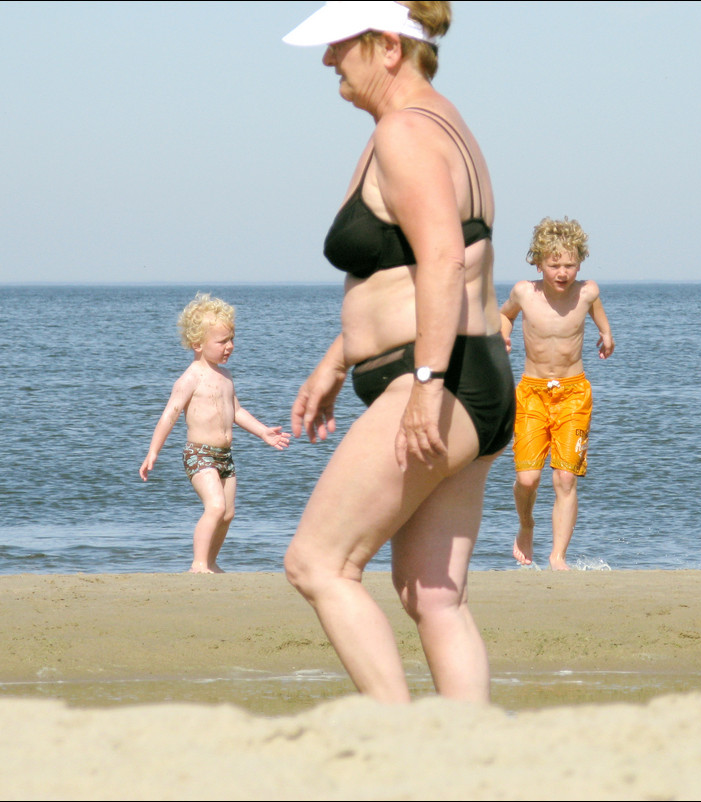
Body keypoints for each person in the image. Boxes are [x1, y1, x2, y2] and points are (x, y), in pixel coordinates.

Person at [281, 1, 514, 704]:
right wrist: (338, 359)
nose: (327, 62)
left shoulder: (405, 134)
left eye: (338, 47)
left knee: (318, 562)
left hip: (444, 378)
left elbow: (443, 260)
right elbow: (412, 269)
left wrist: (424, 382)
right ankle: (467, 759)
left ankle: (401, 746)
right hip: (475, 377)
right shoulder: (436, 123)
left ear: (386, 47)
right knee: (430, 592)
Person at [139, 292, 291, 573]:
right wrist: (153, 452)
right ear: (197, 343)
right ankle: (197, 564)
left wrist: (263, 433)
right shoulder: (190, 378)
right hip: (199, 454)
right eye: (222, 341)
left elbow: (237, 412)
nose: (229, 346)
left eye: (232, 339)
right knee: (216, 507)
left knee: (228, 513)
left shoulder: (226, 377)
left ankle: (211, 562)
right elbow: (169, 415)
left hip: (224, 456)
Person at [499, 217, 614, 571]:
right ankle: (526, 525)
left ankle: (557, 557)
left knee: (564, 477)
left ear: (580, 263)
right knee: (527, 478)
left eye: (569, 265)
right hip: (532, 393)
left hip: (574, 392)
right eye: (554, 265)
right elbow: (505, 315)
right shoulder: (523, 292)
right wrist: (503, 334)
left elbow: (598, 315)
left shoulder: (588, 291)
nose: (562, 272)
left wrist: (606, 335)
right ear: (538, 263)